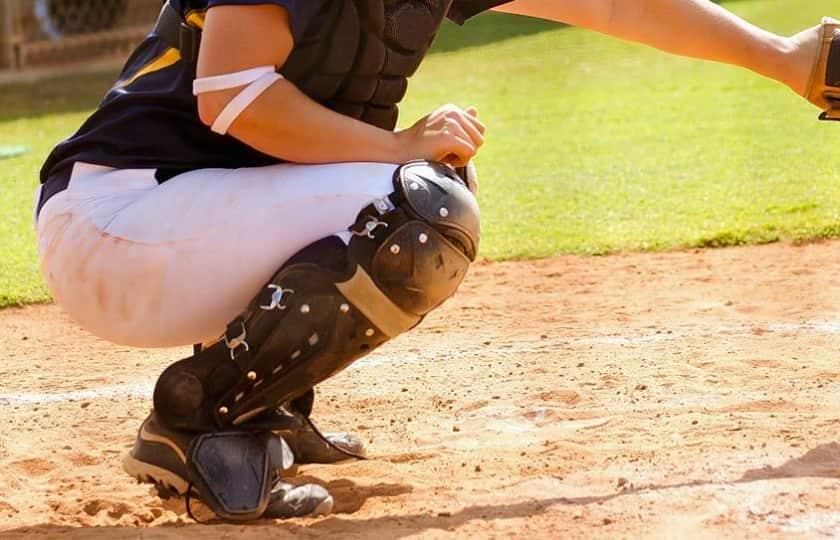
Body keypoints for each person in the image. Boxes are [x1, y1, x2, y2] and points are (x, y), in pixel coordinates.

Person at [35, 0, 838, 522]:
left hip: (181, 222)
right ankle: (197, 416)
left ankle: (264, 400)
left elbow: (614, 4)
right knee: (416, 202)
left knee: (428, 181)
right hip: (120, 224)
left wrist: (785, 57)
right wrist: (395, 146)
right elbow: (233, 96)